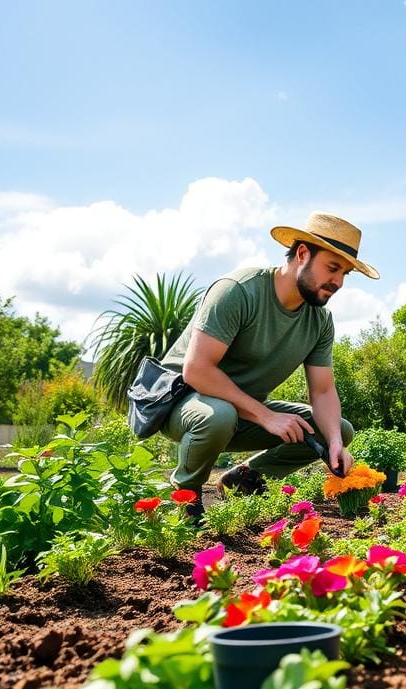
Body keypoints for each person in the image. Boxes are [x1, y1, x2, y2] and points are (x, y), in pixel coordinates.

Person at [159, 211, 379, 521]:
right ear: (302, 254)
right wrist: (266, 416)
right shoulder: (239, 291)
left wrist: (333, 443)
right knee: (220, 414)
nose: (339, 282)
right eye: (332, 268)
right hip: (182, 402)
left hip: (241, 413)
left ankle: (246, 479)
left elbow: (323, 391)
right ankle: (185, 498)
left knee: (339, 429)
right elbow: (197, 371)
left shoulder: (319, 321)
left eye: (345, 273)